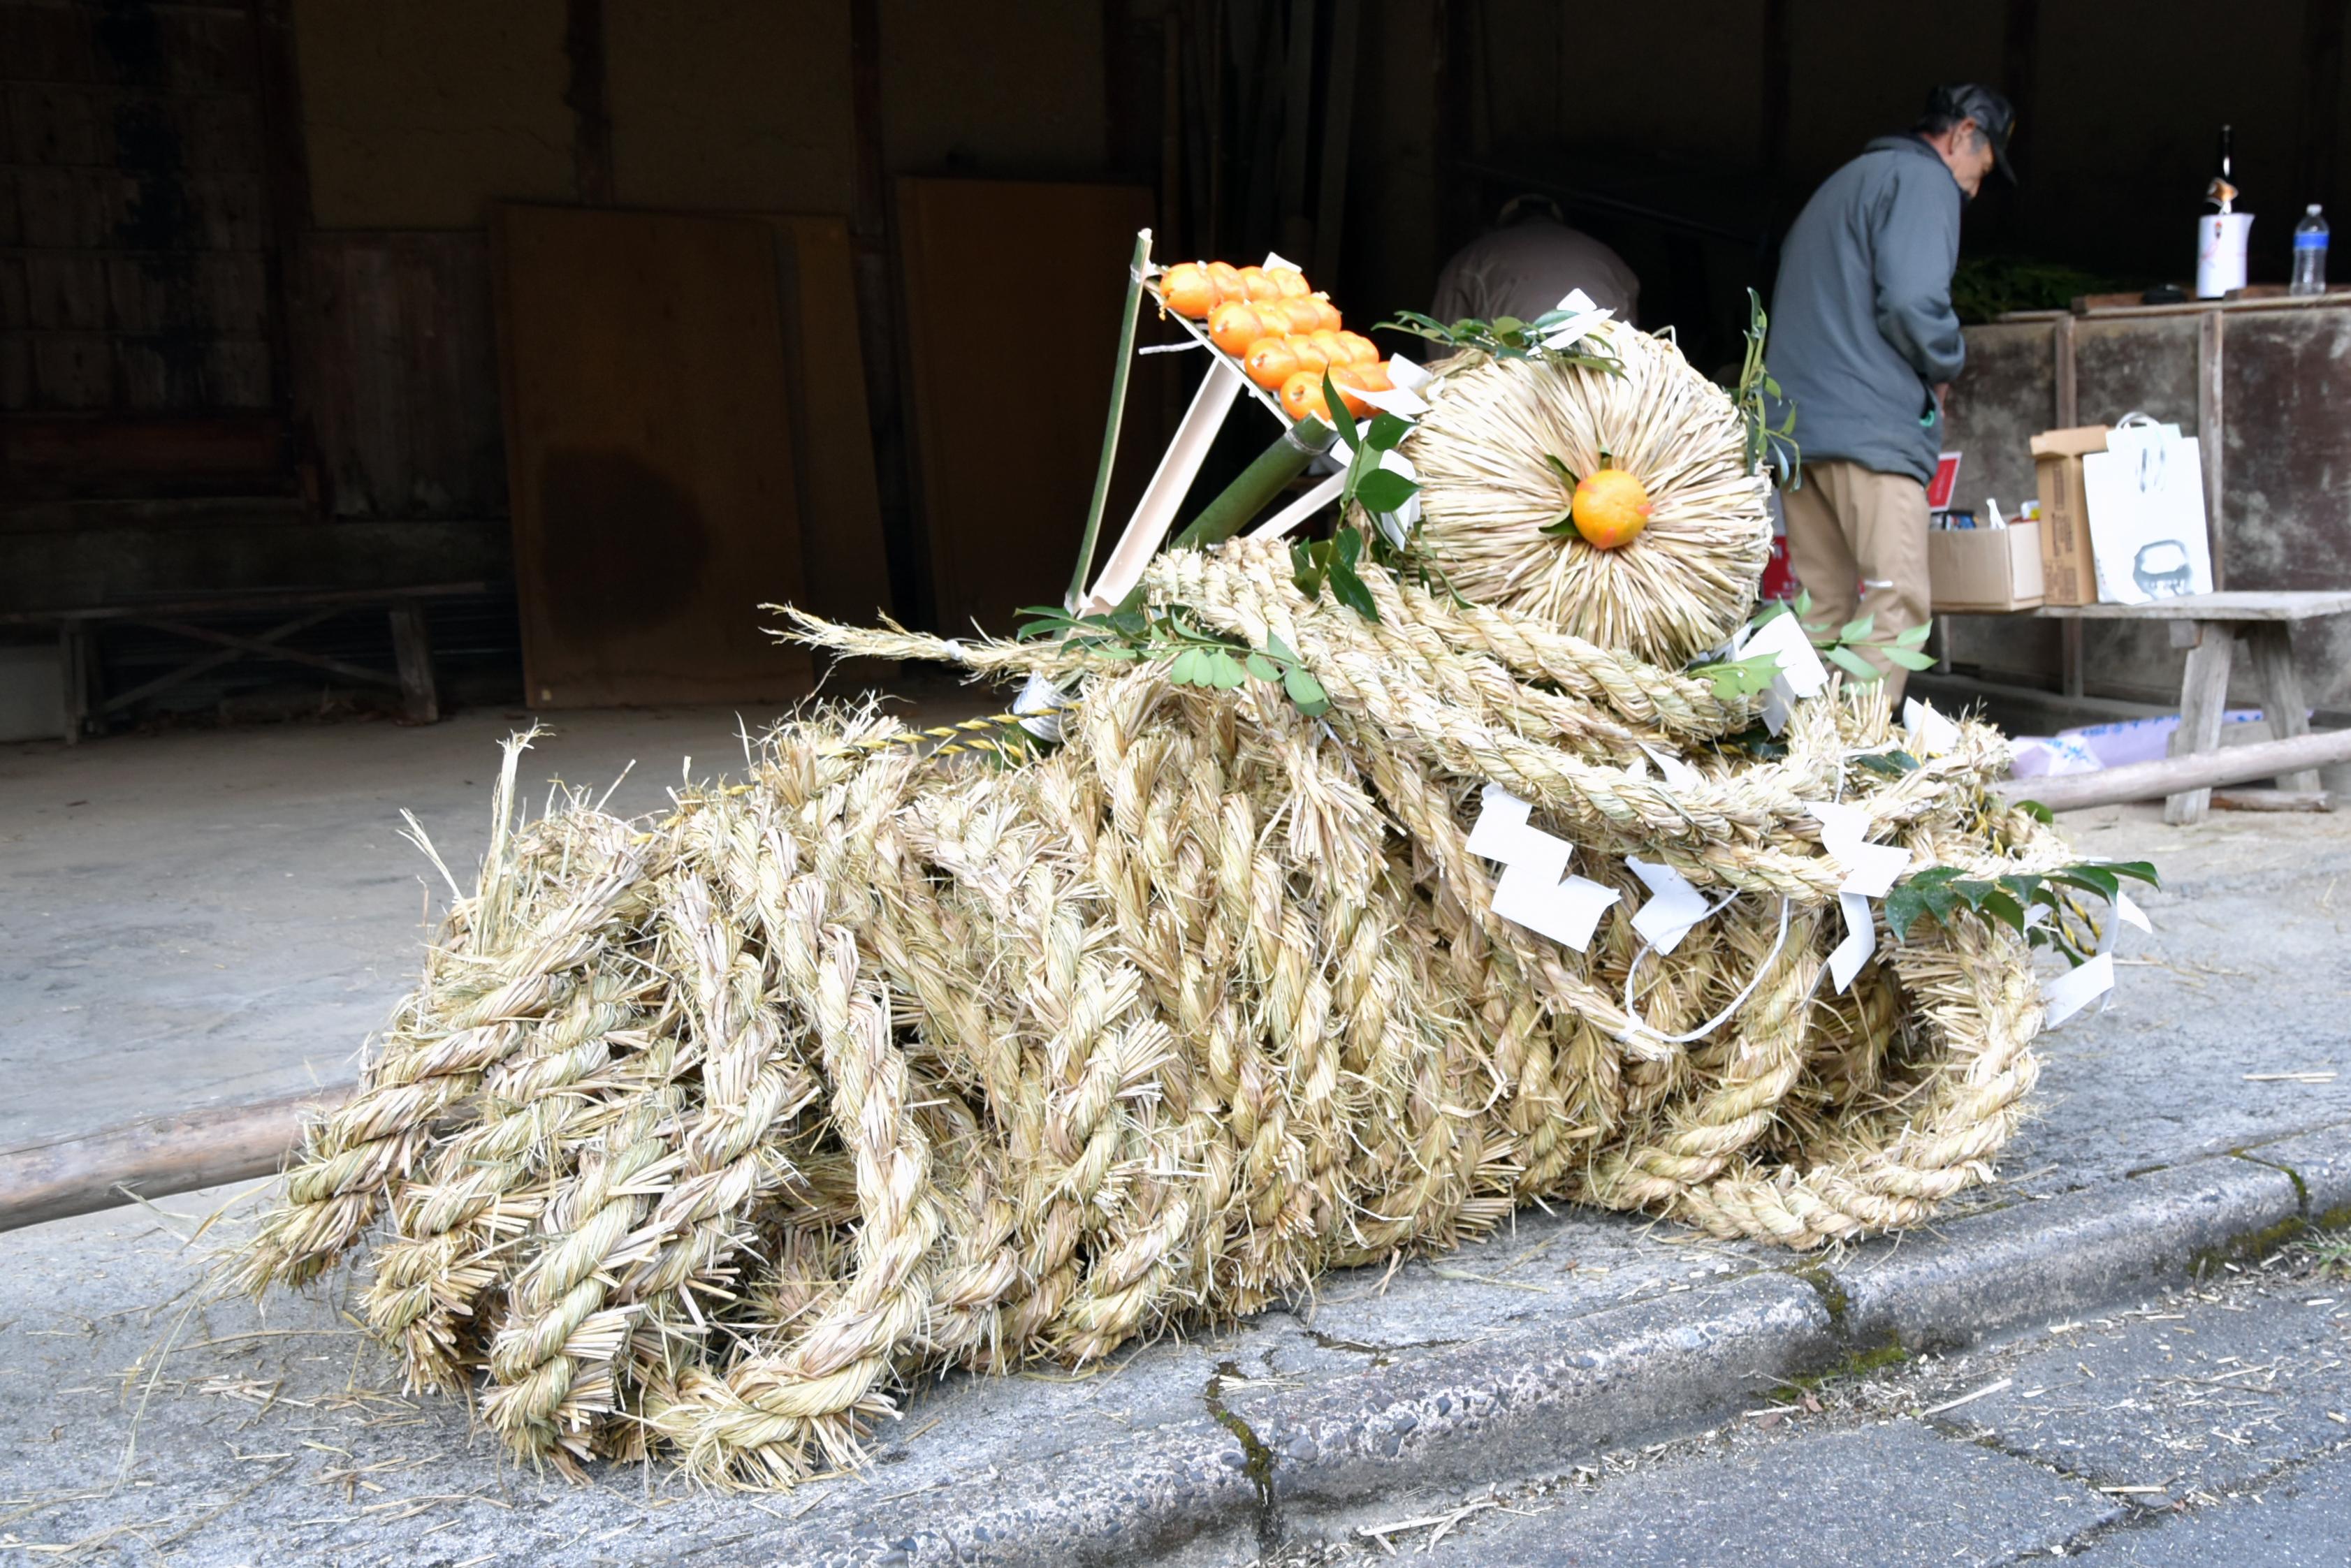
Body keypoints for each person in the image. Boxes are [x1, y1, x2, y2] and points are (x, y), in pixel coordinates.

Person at [1768, 84, 2015, 700]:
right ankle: (1858, 759)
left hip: (1796, 435)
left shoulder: (1845, 183)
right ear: (1962, 135)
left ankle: (1799, 761)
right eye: (1979, 171)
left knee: (1822, 606)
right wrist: (1945, 363)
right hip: (1867, 431)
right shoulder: (1923, 182)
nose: (1973, 190)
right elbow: (1911, 301)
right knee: (1896, 600)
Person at [1433, 196, 1641, 325]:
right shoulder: (1609, 258)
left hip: (1524, 377)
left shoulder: (1469, 260)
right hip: (1605, 374)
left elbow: (1445, 361)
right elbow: (1633, 332)